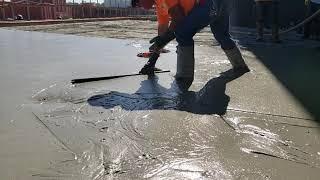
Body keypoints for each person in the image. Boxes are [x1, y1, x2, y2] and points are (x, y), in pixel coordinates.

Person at [139, 0, 249, 88]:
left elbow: (178, 19)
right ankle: (240, 66)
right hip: (221, 3)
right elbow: (162, 34)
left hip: (209, 3)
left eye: (137, 1)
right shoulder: (160, 7)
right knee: (222, 35)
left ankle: (184, 77)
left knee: (182, 32)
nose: (138, 4)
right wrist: (152, 61)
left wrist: (163, 40)